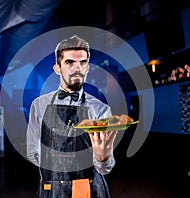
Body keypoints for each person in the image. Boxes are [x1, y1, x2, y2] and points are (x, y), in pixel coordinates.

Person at [26, 35, 131, 198]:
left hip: (89, 190)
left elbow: (105, 169)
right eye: (69, 62)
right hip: (52, 188)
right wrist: (52, 176)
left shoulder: (101, 109)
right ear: (57, 68)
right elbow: (33, 150)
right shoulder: (39, 105)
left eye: (83, 62)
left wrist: (102, 159)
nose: (77, 68)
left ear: (87, 68)